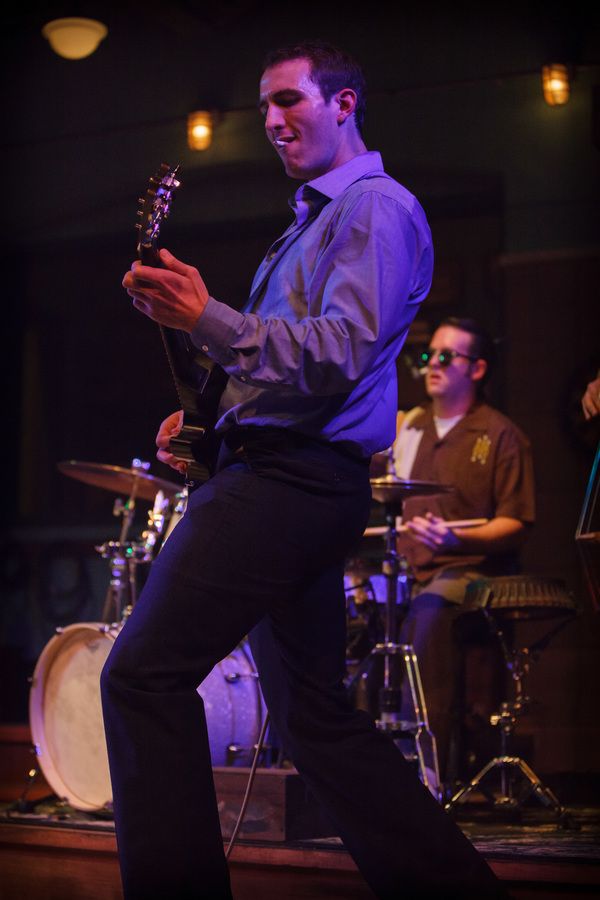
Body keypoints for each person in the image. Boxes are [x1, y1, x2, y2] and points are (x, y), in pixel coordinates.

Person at [101, 41, 507, 899]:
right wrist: (208, 431)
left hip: (289, 487)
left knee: (142, 676)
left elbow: (337, 353)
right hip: (286, 476)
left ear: (345, 104)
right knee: (313, 717)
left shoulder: (373, 208)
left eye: (291, 101)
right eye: (266, 109)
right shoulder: (313, 223)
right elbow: (284, 378)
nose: (276, 122)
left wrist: (207, 314)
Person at [388, 316, 535, 786]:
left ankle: (426, 777)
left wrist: (455, 538)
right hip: (408, 568)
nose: (432, 364)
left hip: (468, 571)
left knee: (427, 615)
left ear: (476, 369)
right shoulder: (408, 427)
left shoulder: (500, 435)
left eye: (446, 356)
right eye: (429, 355)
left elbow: (515, 522)